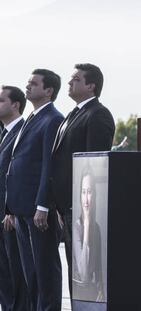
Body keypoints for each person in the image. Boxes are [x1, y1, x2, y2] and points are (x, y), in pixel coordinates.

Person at [48, 63, 115, 296]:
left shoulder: (98, 115)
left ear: (91, 86)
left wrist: (81, 206)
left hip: (83, 209)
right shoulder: (73, 114)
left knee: (86, 274)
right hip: (66, 207)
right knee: (74, 271)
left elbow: (93, 166)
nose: (69, 83)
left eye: (76, 79)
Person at [5, 69, 64, 311]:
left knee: (44, 270)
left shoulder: (52, 119)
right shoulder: (32, 117)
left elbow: (48, 166)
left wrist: (43, 205)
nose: (28, 86)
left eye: (34, 83)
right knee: (31, 272)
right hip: (20, 208)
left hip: (37, 210)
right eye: (28, 82)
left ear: (48, 90)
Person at [0, 86, 29, 311]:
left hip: (11, 212)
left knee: (14, 269)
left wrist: (10, 209)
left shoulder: (23, 130)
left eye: (1, 101)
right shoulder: (4, 132)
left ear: (15, 105)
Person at [72, 167, 104, 302]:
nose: (86, 199)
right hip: (79, 290)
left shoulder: (96, 228)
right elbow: (84, 273)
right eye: (83, 192)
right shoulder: (77, 227)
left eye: (89, 192)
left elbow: (98, 269)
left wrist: (101, 289)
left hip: (93, 291)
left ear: (95, 195)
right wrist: (86, 227)